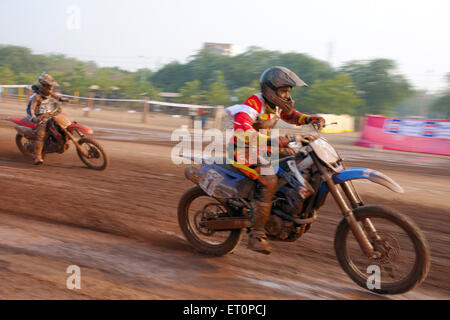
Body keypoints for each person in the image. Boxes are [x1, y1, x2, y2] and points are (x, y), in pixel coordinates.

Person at [225, 66, 325, 255]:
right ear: (270, 90)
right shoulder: (254, 103)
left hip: (264, 149)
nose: (287, 96)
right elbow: (242, 127)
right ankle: (257, 234)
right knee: (268, 178)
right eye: (284, 91)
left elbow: (292, 115)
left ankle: (283, 207)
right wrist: (274, 141)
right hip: (242, 151)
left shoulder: (276, 105)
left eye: (289, 91)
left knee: (296, 160)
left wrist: (311, 119)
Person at [28, 72, 69, 165]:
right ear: (43, 86)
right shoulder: (36, 97)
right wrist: (33, 117)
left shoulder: (50, 93)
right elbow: (31, 109)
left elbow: (57, 97)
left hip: (51, 114)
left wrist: (63, 99)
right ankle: (37, 156)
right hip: (40, 117)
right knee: (41, 135)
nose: (51, 88)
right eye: (49, 87)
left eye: (52, 87)